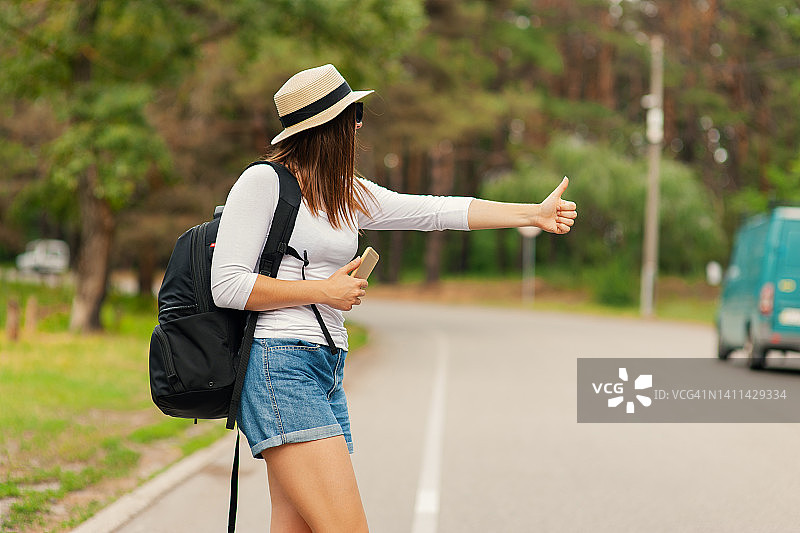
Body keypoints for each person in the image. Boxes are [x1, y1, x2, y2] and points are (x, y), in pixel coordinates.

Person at [210, 64, 577, 533]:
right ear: (327, 126)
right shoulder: (262, 183)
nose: (360, 124)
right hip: (280, 363)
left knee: (295, 522)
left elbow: (435, 210)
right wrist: (324, 291)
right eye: (353, 113)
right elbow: (229, 284)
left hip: (325, 363)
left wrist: (533, 212)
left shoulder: (344, 192)